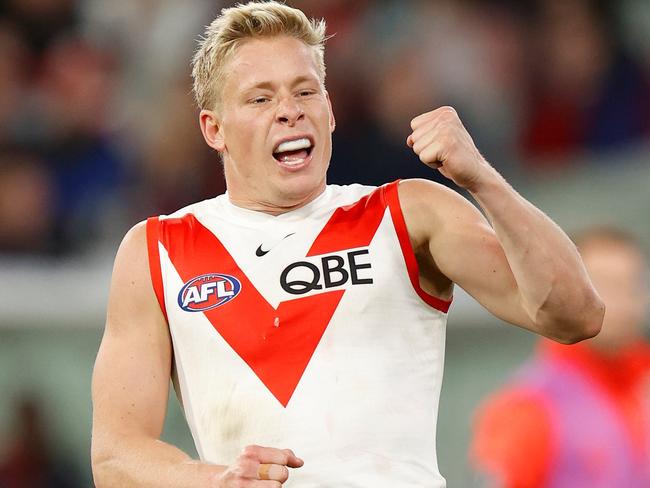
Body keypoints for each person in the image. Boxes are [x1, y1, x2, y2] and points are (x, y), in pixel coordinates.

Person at [90, 2, 604, 487]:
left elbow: (574, 315)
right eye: (261, 98)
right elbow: (114, 456)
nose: (289, 111)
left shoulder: (407, 213)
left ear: (330, 111)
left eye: (305, 91)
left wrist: (483, 180)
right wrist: (215, 480)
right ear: (213, 129)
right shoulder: (157, 250)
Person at [470, 227, 650, 487]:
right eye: (602, 284)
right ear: (569, 292)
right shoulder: (528, 405)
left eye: (629, 285)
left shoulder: (642, 389)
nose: (617, 301)